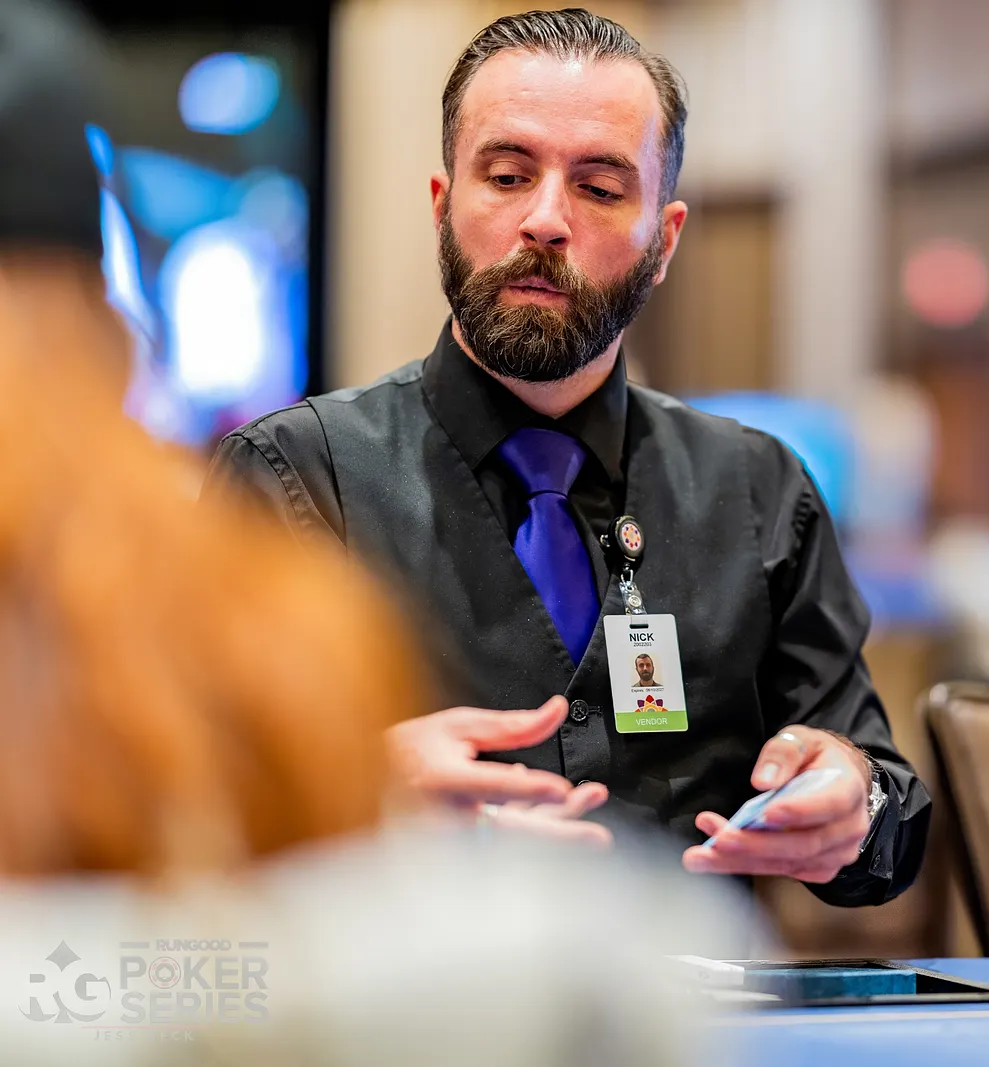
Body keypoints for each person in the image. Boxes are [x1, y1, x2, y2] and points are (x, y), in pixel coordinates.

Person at [206, 8, 930, 905]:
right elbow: (188, 805)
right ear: (442, 208)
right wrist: (359, 789)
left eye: (599, 188)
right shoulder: (292, 478)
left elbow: (886, 812)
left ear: (663, 242)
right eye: (508, 176)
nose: (545, 220)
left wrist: (853, 801)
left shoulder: (759, 491)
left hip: (691, 990)